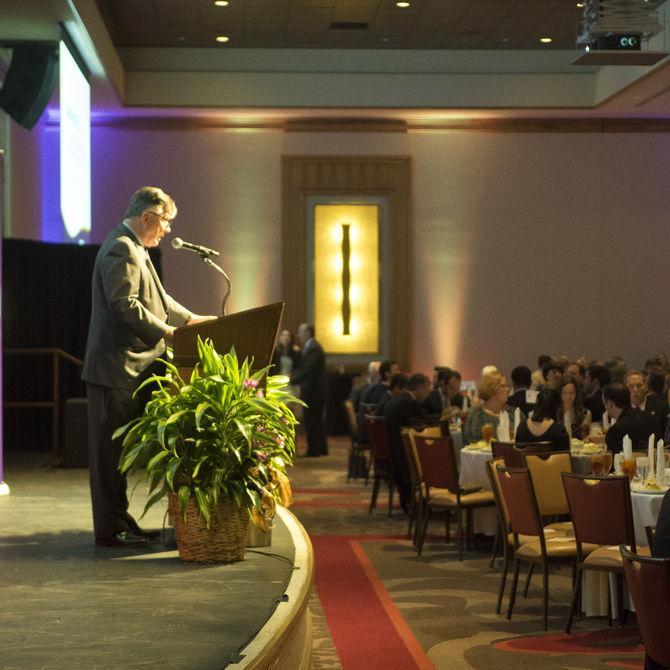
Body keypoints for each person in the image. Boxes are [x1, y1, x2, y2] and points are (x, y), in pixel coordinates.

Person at [82, 186, 214, 547]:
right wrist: (169, 332)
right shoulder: (121, 248)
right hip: (114, 369)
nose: (167, 230)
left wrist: (190, 320)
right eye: (166, 222)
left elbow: (159, 298)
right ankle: (111, 529)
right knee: (108, 457)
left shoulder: (135, 248)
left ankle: (121, 522)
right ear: (147, 217)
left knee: (118, 455)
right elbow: (126, 306)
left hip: (127, 368)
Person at [381, 373, 431, 513]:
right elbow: (424, 425)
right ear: (419, 388)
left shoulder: (397, 400)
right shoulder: (410, 403)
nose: (427, 394)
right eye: (427, 390)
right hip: (404, 455)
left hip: (394, 450)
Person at [589, 383, 661, 454]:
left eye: (604, 403)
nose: (605, 407)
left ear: (610, 403)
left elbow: (614, 462)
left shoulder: (615, 431)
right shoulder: (650, 418)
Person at [291, 323, 329, 457]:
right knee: (316, 421)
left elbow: (308, 369)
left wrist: (290, 379)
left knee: (313, 421)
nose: (299, 334)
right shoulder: (311, 347)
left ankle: (314, 450)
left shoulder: (313, 348)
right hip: (315, 391)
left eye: (301, 331)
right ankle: (321, 448)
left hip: (314, 392)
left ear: (308, 332)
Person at [463, 372, 516, 445]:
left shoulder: (514, 413)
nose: (508, 389)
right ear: (492, 389)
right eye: (503, 386)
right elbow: (471, 443)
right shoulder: (477, 414)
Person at [559, 374, 591, 439]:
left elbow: (586, 439)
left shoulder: (585, 413)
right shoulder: (554, 412)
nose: (568, 397)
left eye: (572, 393)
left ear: (576, 393)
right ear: (559, 394)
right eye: (565, 393)